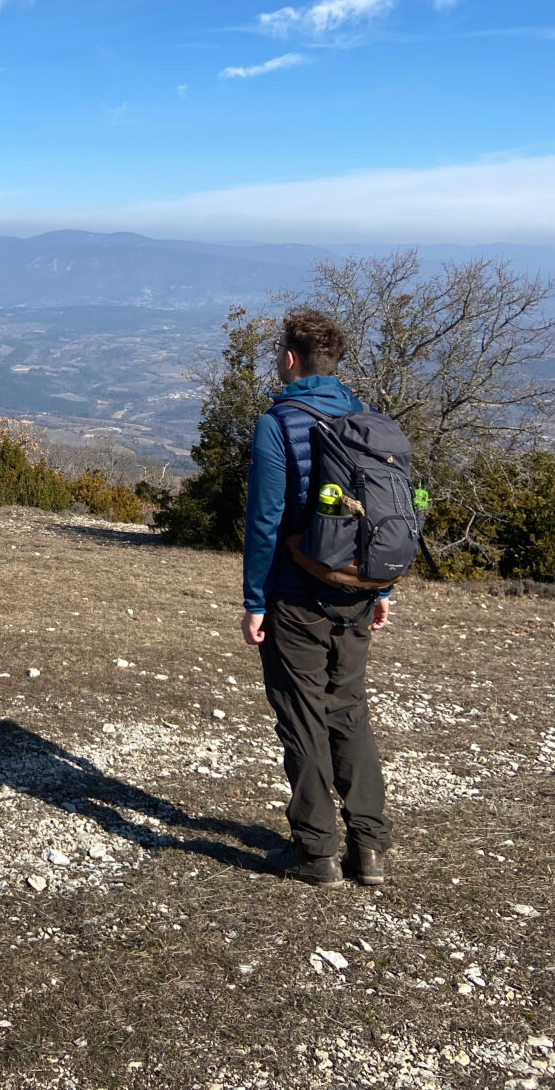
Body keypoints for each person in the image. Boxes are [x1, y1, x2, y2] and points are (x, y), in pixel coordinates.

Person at [241, 308, 392, 888]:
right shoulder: (370, 421)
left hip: (294, 596)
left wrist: (255, 600)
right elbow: (388, 514)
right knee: (349, 711)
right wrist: (383, 587)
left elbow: (265, 521)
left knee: (302, 719)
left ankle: (317, 853)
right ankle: (371, 848)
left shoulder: (277, 424)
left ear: (288, 358)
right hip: (357, 592)